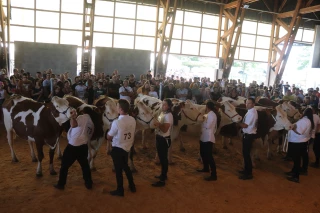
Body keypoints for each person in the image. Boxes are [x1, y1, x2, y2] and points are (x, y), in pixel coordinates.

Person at [54, 107, 95, 190]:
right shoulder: (89, 120)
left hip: (73, 147)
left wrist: (73, 117)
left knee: (64, 166)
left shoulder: (81, 118)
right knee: (85, 165)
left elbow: (74, 125)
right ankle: (89, 183)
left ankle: (61, 184)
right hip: (83, 146)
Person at [107, 99, 136, 197]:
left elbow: (109, 137)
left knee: (119, 170)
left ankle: (120, 190)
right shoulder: (132, 119)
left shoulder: (116, 122)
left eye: (117, 106)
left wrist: (110, 129)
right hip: (127, 147)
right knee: (126, 167)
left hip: (118, 148)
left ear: (120, 109)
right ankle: (132, 185)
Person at [285, 108, 313, 183]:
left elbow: (299, 132)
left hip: (297, 142)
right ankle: (293, 172)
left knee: (296, 160)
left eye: (303, 111)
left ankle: (296, 176)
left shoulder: (304, 121)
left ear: (305, 113)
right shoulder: (308, 120)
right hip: (301, 141)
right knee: (296, 159)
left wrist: (292, 127)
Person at [152, 99, 174, 187]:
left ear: (169, 106)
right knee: (162, 158)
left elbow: (165, 129)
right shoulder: (163, 113)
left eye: (165, 105)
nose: (163, 106)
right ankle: (163, 175)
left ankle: (162, 179)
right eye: (162, 104)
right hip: (159, 137)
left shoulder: (169, 116)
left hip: (164, 139)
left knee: (163, 159)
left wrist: (158, 124)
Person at [237, 98, 258, 180]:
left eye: (249, 103)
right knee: (246, 154)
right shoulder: (252, 111)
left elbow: (245, 125)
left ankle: (249, 173)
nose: (247, 104)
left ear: (253, 104)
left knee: (246, 154)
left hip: (248, 135)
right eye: (246, 103)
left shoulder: (251, 113)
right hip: (249, 134)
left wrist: (237, 122)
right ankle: (246, 170)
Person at [197, 101, 218, 181]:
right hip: (204, 136)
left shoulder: (212, 115)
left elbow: (208, 125)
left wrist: (201, 122)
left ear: (207, 107)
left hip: (208, 137)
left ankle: (214, 174)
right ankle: (206, 168)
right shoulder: (208, 114)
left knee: (209, 156)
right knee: (203, 153)